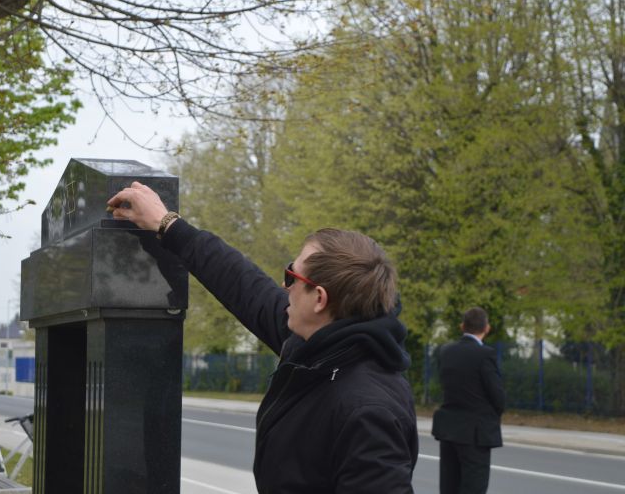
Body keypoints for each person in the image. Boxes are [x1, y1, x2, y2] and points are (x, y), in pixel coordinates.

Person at [107, 182, 418, 494]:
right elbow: (242, 284)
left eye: (291, 276)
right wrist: (167, 225)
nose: (284, 287)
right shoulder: (316, 346)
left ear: (319, 299)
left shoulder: (368, 412)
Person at [432, 307, 505, 494]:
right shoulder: (485, 355)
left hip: (448, 429)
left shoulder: (445, 351)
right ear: (486, 328)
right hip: (475, 433)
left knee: (449, 487)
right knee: (473, 487)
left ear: (462, 326)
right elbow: (498, 396)